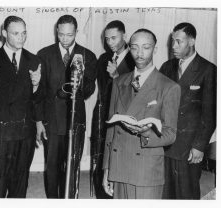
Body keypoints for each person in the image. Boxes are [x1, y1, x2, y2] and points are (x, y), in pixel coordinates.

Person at [102, 29, 181, 199]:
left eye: (146, 47)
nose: (139, 53)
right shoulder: (118, 82)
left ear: (155, 49)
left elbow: (170, 134)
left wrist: (145, 132)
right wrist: (107, 169)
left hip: (146, 170)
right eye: (135, 47)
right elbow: (111, 131)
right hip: (119, 165)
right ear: (129, 48)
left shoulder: (169, 87)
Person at [0, 16, 43, 198]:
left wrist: (36, 86)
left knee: (20, 183)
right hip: (0, 135)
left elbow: (38, 99)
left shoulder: (34, 61)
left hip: (25, 133)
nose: (21, 37)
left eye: (24, 33)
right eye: (15, 33)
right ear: (4, 34)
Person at [37, 14, 97, 198]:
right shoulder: (44, 54)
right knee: (52, 166)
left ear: (76, 32)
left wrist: (80, 83)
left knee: (72, 165)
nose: (64, 39)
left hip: (75, 121)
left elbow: (88, 91)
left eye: (69, 35)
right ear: (57, 31)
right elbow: (39, 92)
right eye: (61, 34)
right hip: (52, 121)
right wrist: (39, 121)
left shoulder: (87, 55)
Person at [160, 22, 216, 199]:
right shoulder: (167, 67)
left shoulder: (208, 70)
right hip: (166, 140)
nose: (174, 46)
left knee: (187, 192)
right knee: (165, 191)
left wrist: (199, 146)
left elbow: (210, 113)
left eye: (179, 42)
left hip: (189, 145)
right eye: (172, 42)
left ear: (191, 41)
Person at [91, 20, 135, 199]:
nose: (110, 42)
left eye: (114, 38)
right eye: (107, 38)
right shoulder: (103, 58)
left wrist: (117, 76)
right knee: (100, 159)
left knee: (119, 161)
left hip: (124, 117)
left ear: (124, 35)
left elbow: (136, 92)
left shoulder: (135, 59)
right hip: (102, 115)